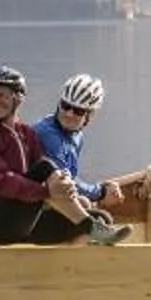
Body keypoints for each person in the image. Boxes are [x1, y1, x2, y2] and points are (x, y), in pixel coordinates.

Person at [0, 64, 86, 245]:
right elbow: (2, 182)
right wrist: (46, 192)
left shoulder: (27, 133)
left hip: (23, 220)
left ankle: (82, 264)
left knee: (99, 216)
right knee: (44, 167)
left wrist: (65, 190)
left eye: (2, 95)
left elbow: (47, 177)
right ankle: (88, 228)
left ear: (18, 97)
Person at [28, 73, 131, 242]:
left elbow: (72, 179)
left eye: (78, 110)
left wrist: (100, 190)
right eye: (65, 105)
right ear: (59, 104)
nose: (69, 114)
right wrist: (100, 192)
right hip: (31, 212)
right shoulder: (47, 133)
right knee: (101, 217)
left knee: (86, 204)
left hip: (53, 203)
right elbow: (64, 182)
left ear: (89, 115)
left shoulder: (77, 136)